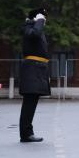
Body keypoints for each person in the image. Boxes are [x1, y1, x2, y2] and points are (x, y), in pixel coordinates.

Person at [19, 8, 51, 143]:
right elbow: (35, 34)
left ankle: (27, 133)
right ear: (36, 18)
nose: (44, 21)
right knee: (29, 102)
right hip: (32, 69)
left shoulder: (34, 28)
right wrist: (39, 20)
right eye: (43, 18)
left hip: (37, 69)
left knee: (32, 102)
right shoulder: (29, 28)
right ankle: (26, 134)